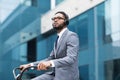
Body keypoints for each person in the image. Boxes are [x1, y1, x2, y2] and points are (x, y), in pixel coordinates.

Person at [20, 11, 80, 80]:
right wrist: (29, 65)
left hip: (67, 77)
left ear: (66, 21)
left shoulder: (71, 36)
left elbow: (71, 58)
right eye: (53, 18)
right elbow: (49, 59)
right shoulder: (58, 39)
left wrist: (50, 63)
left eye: (59, 18)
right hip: (53, 75)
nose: (55, 20)